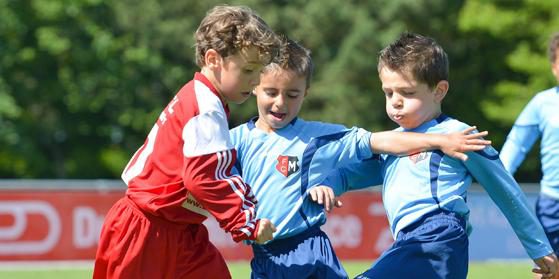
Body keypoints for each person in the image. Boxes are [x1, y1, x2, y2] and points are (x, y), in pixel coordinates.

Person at [229, 38, 491, 279]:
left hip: (306, 250)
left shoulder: (318, 138)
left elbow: (380, 141)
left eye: (292, 94)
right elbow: (203, 174)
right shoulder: (235, 140)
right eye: (271, 92)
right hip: (262, 257)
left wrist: (439, 141)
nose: (280, 103)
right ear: (254, 87)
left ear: (305, 93)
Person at [93, 5, 282, 279]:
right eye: (248, 70)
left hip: (182, 233)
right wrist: (246, 222)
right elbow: (204, 177)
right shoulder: (205, 107)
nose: (255, 83)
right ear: (213, 58)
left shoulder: (201, 98)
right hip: (145, 233)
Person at [349, 32, 558, 279]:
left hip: (438, 235)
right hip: (411, 242)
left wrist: (539, 248)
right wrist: (322, 184)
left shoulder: (459, 135)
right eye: (388, 93)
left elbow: (505, 191)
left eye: (407, 93)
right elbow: (350, 174)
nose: (395, 102)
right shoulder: (393, 143)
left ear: (439, 91)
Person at [500, 32, 559, 278]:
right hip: (553, 206)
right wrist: (498, 183)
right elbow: (514, 148)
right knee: (550, 272)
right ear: (554, 67)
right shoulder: (542, 103)